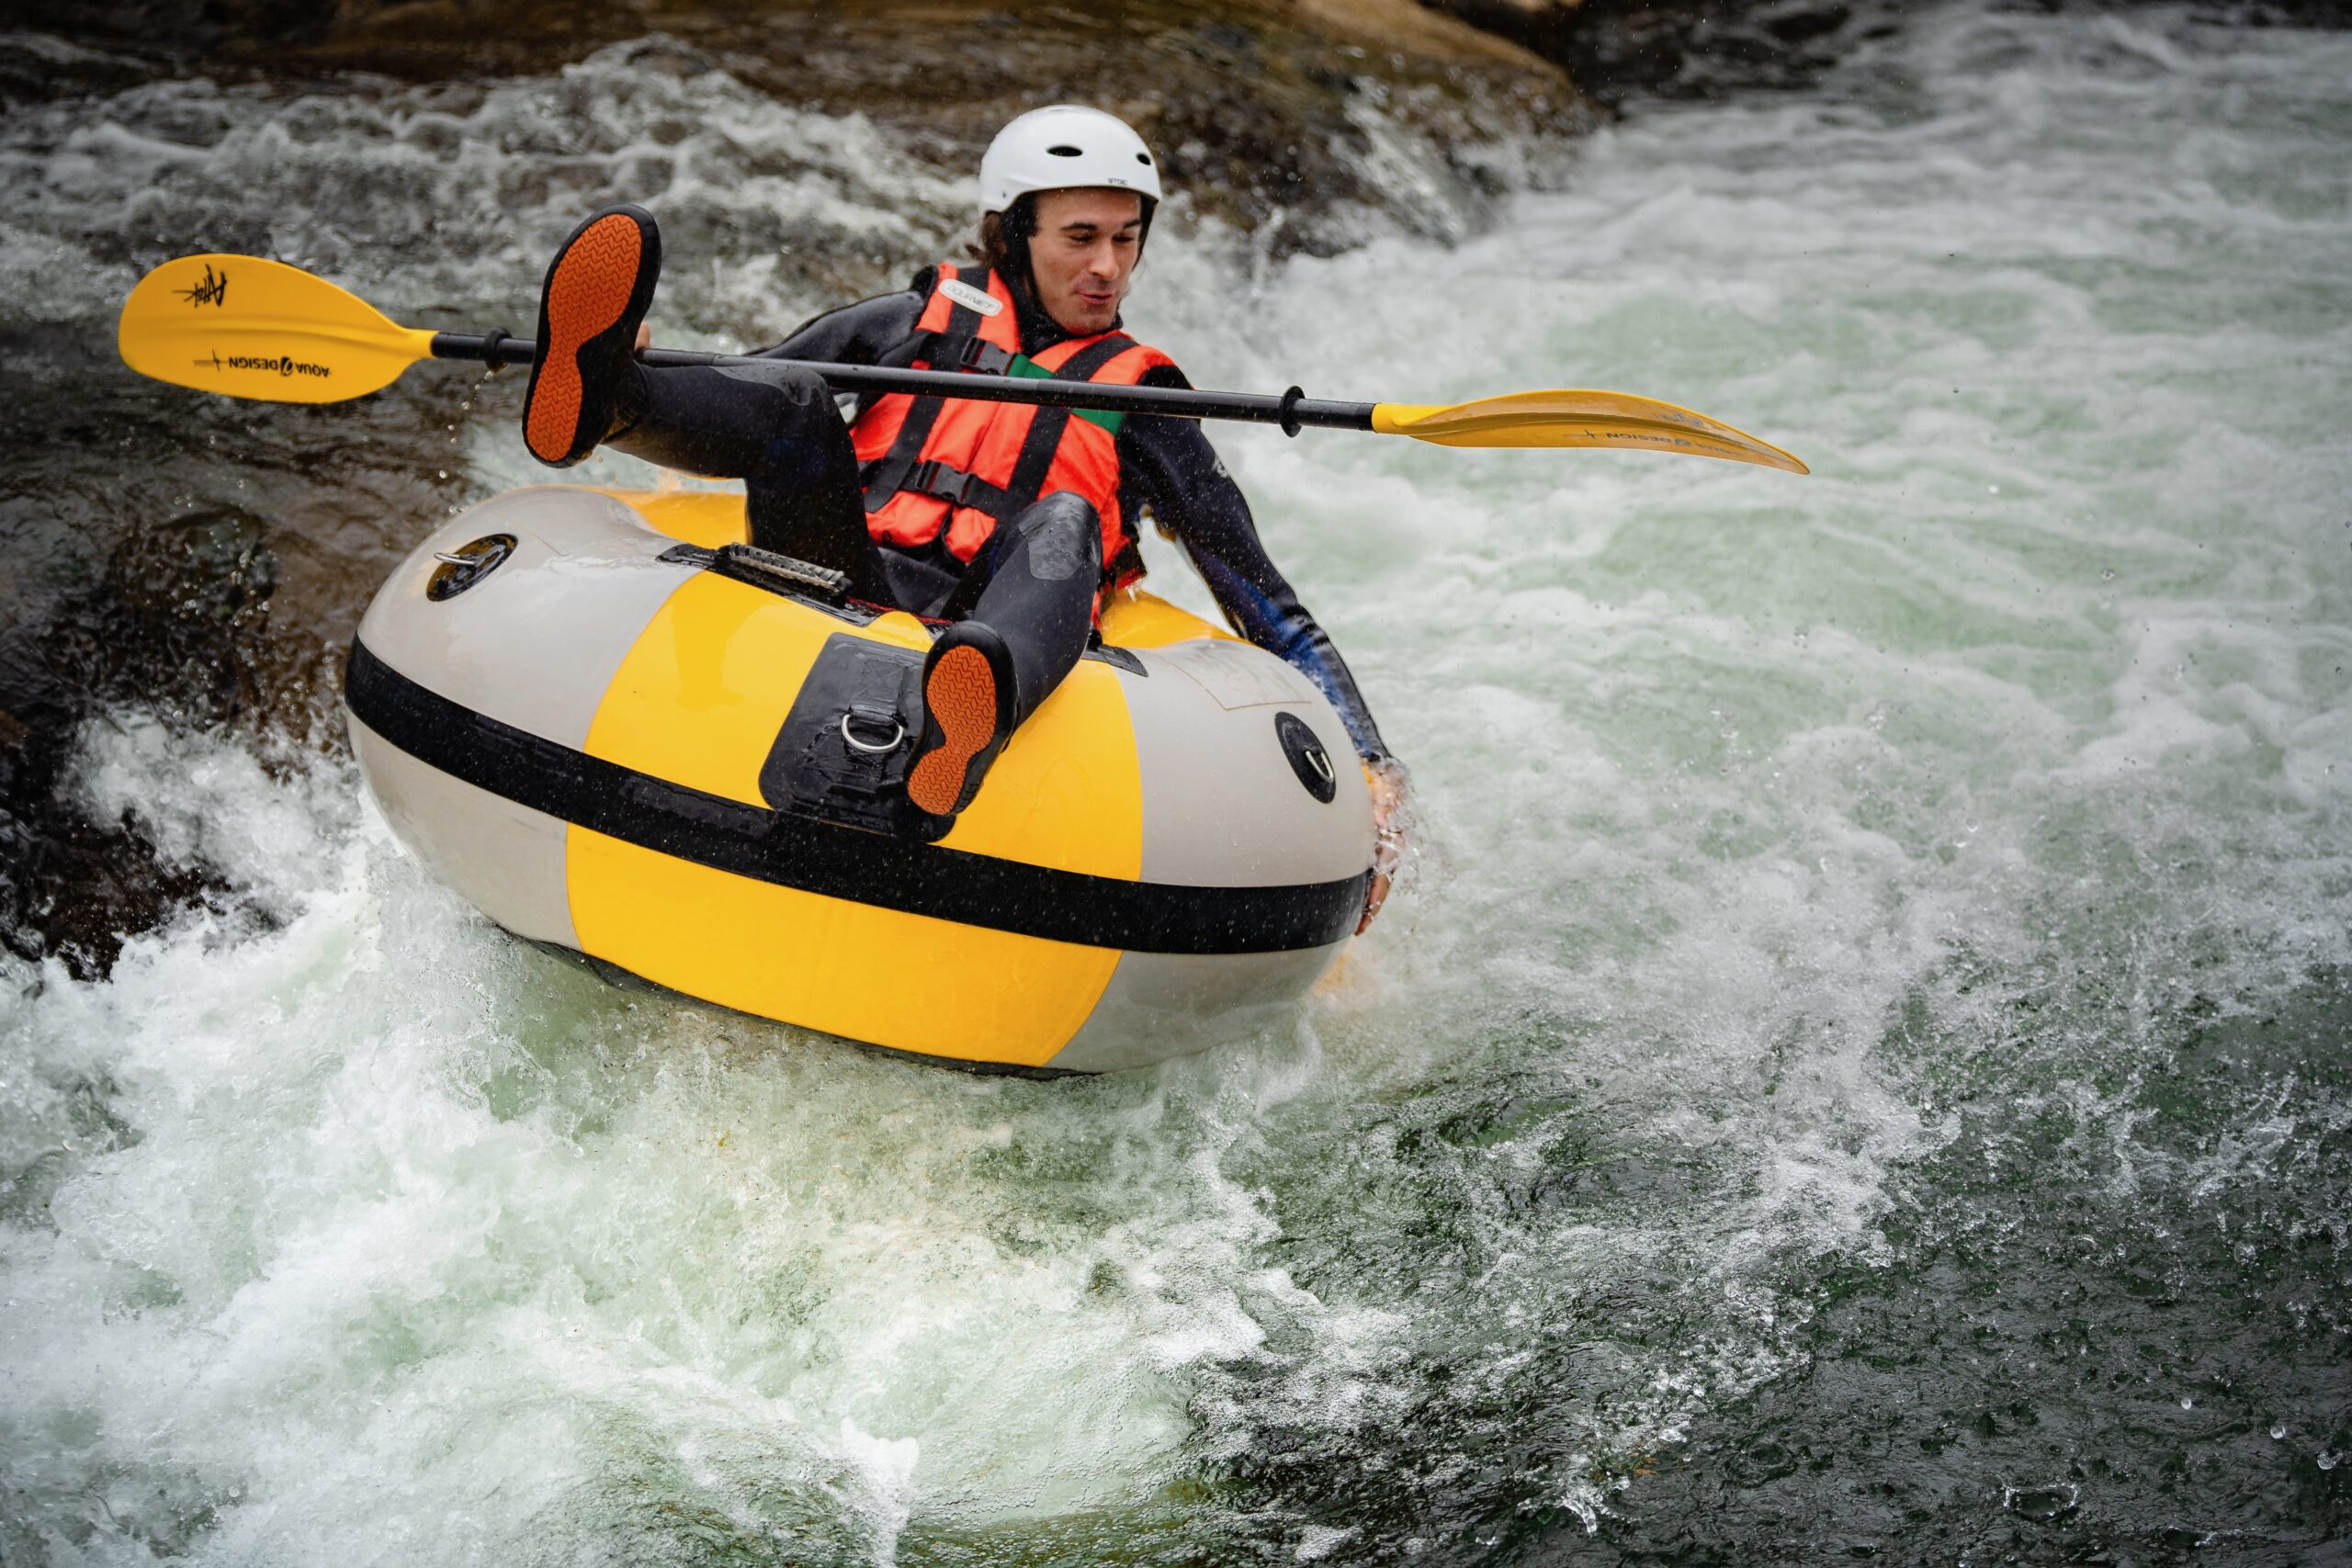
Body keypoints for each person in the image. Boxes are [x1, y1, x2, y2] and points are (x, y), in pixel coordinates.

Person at [518, 105, 1408, 928]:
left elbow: (1270, 609)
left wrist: (1369, 762)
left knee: (1066, 515)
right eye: (1081, 238)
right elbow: (747, 398)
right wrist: (651, 377)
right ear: (1014, 234)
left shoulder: (1144, 401)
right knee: (793, 399)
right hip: (835, 584)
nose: (1107, 268)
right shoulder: (917, 320)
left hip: (995, 630)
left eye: (1126, 240)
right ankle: (607, 398)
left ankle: (971, 719)